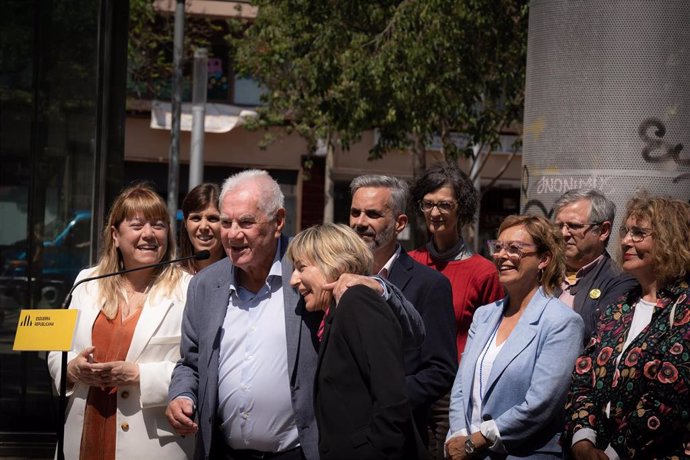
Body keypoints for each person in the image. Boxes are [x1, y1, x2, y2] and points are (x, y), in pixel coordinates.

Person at [166, 169, 424, 460]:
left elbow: (412, 331)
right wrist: (182, 394)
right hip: (224, 452)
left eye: (246, 222)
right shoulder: (204, 286)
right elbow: (190, 362)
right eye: (226, 222)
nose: (232, 233)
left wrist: (377, 286)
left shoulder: (308, 269)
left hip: (301, 452)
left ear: (278, 222)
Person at [47, 183, 193, 459]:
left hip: (151, 446)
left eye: (159, 225)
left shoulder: (189, 289)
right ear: (115, 235)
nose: (148, 234)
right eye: (137, 225)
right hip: (82, 436)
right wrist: (72, 369)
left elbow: (200, 368)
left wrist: (139, 375)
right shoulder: (86, 282)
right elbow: (56, 352)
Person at [446, 215, 585, 460]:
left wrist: (477, 441)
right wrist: (457, 434)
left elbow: (540, 405)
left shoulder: (561, 321)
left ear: (544, 259)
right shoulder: (484, 315)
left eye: (514, 249)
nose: (501, 255)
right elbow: (461, 386)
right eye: (498, 247)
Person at [563, 195, 690, 459]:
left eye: (639, 233)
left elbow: (669, 398)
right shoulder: (620, 307)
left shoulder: (684, 309)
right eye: (626, 231)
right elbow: (584, 374)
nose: (625, 241)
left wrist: (613, 453)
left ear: (670, 240)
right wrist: (583, 438)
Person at [287, 223, 424, 459]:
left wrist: (378, 450)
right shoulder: (334, 313)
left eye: (301, 268)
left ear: (333, 264)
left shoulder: (358, 301)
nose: (293, 280)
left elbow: (391, 396)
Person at [349, 174, 458, 446]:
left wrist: (384, 400)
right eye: (355, 212)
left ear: (400, 223)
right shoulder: (334, 275)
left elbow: (440, 371)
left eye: (372, 214)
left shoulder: (430, 285)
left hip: (396, 437)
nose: (360, 222)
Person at [409, 164, 504, 459]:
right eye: (428, 204)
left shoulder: (484, 273)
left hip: (452, 395)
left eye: (444, 205)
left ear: (461, 209)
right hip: (409, 386)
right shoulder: (408, 262)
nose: (435, 213)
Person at [553, 189, 638, 340]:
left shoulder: (619, 281)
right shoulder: (541, 271)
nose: (564, 233)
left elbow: (598, 336)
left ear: (603, 231)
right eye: (559, 226)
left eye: (574, 226)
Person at [178, 182, 224, 274]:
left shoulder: (242, 278)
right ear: (185, 223)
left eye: (213, 219)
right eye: (196, 218)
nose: (203, 227)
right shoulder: (170, 279)